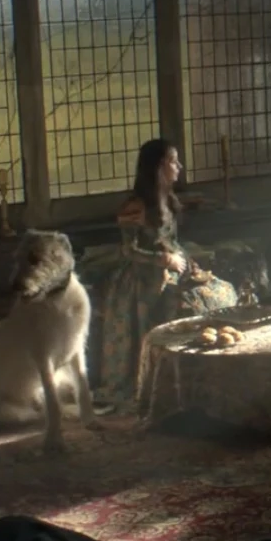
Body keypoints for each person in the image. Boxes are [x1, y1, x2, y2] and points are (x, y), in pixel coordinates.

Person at [87, 138, 241, 402]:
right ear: (158, 167)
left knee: (218, 292)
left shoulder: (169, 200)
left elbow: (172, 242)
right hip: (141, 278)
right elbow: (128, 251)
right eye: (173, 161)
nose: (179, 166)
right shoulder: (135, 206)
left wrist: (187, 261)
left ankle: (197, 377)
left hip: (172, 271)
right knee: (176, 306)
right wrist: (164, 260)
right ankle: (156, 380)